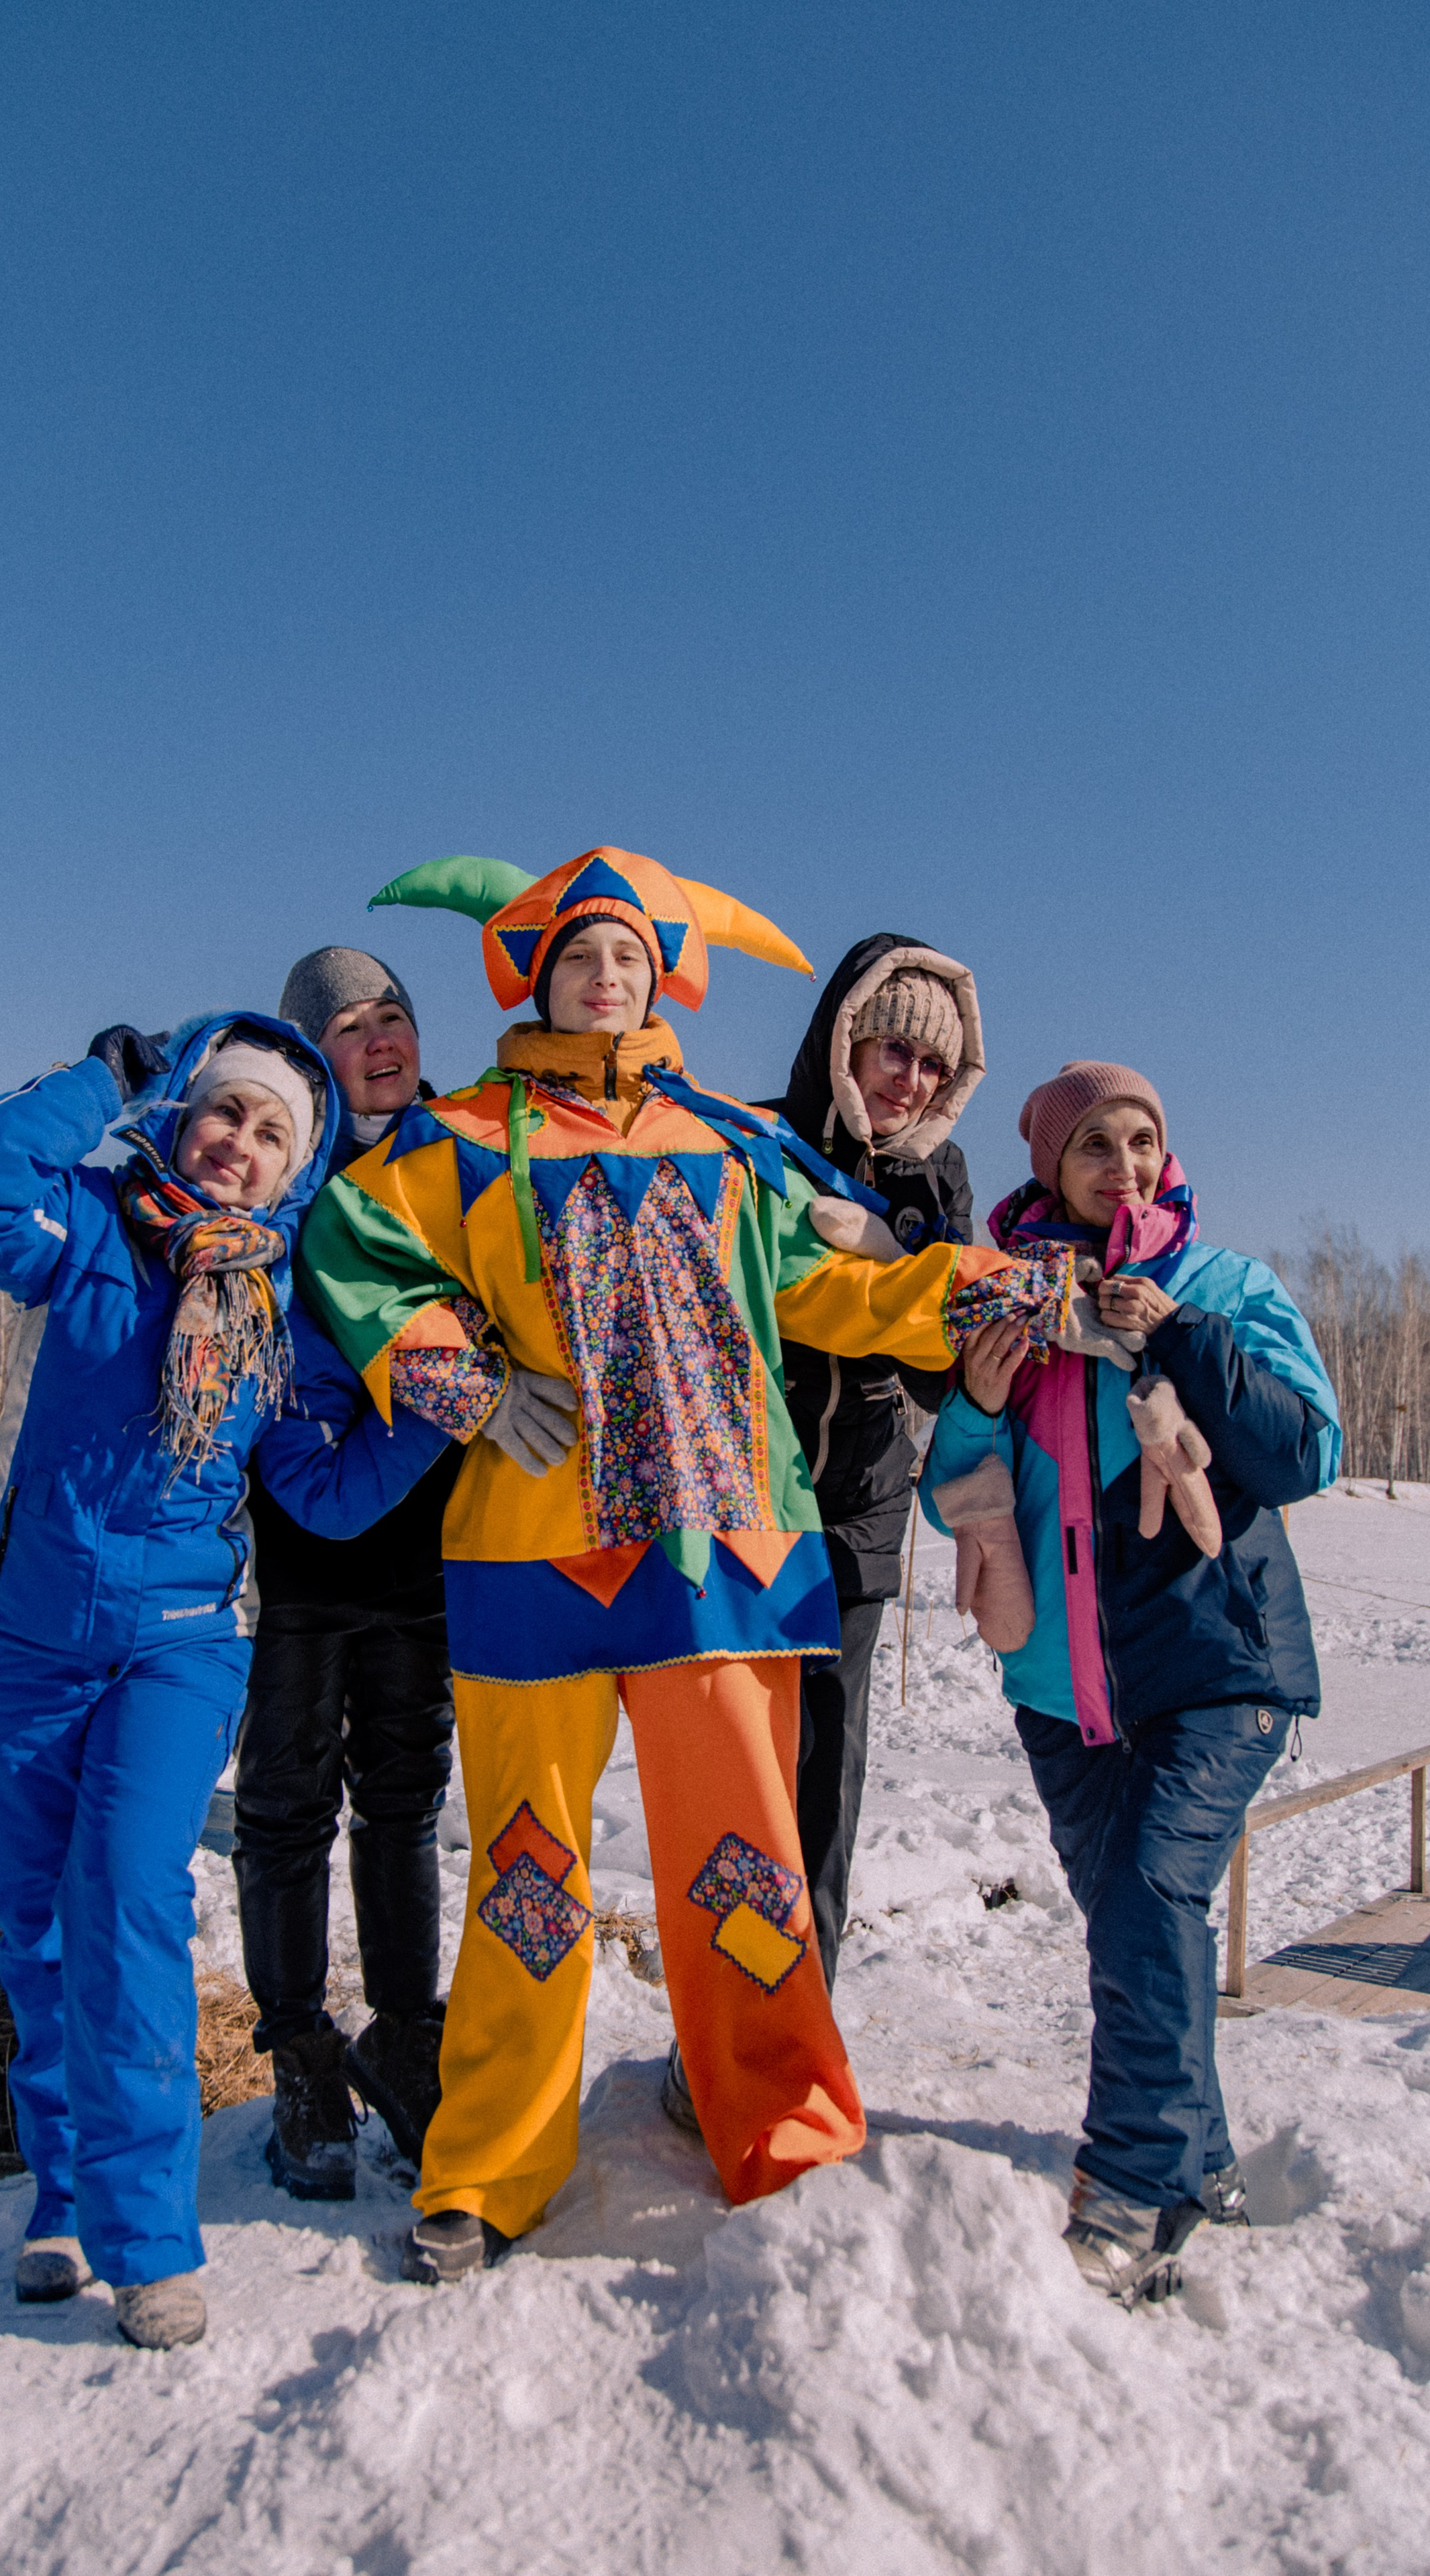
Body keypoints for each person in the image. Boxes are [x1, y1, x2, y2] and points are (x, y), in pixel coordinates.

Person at [299, 847, 1072, 2283]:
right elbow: (354, 1252)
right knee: (527, 1869)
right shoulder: (457, 1141)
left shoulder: (732, 1144)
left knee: (746, 1860)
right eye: (582, 956)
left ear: (665, 982)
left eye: (631, 960)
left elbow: (835, 1287)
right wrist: (462, 1379)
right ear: (536, 974)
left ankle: (780, 2124)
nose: (607, 979)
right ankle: (491, 2161)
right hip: (532, 1552)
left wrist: (978, 1288)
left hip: (724, 1549)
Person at [0, 1014, 448, 2349]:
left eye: (273, 1133)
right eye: (224, 1111)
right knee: (37, 1933)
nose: (239, 1145)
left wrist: (427, 1424)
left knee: (129, 1905)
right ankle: (61, 2195)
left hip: (177, 1643)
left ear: (296, 1169)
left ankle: (148, 2242)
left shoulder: (281, 1299)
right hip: (11, 1636)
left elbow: (319, 1493)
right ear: (179, 1115)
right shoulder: (85, 1229)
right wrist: (104, 1077)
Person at [920, 1061, 1340, 2308]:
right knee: (1135, 1927)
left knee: (1154, 1890)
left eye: (1143, 1139)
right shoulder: (1013, 1303)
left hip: (1216, 1665)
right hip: (1062, 1690)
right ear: (1050, 1165)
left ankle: (1129, 2184)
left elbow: (1305, 1451)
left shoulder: (1222, 1286)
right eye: (1095, 1143)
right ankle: (1203, 2163)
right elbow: (955, 1490)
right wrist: (978, 1397)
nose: (1126, 1165)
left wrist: (1181, 1337)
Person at [235, 947, 462, 2198]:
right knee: (285, 1803)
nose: (381, 1040)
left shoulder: (463, 1158)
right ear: (313, 1055)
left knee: (405, 1798)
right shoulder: (289, 1179)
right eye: (351, 1025)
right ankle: (301, 2051)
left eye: (395, 1018)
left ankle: (408, 2036)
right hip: (305, 1548)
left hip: (430, 1550)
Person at [764, 935, 983, 1999]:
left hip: (862, 1506)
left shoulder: (939, 1179)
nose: (911, 1079)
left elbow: (950, 1372)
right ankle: (722, 2019)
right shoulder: (759, 1142)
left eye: (934, 1064)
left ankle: (807, 2012)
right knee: (741, 1765)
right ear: (845, 1040)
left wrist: (899, 1263)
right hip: (749, 1501)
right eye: (893, 1049)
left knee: (825, 1771)